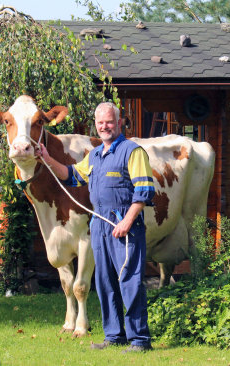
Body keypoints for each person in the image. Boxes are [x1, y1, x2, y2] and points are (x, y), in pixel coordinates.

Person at [37, 102, 155, 352]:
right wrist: (47, 159)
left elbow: (144, 192)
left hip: (125, 226)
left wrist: (127, 220)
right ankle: (113, 335)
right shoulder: (95, 155)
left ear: (119, 122)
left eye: (109, 122)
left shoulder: (132, 152)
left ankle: (140, 340)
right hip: (98, 225)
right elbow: (71, 175)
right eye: (100, 123)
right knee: (104, 282)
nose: (104, 126)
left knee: (130, 281)